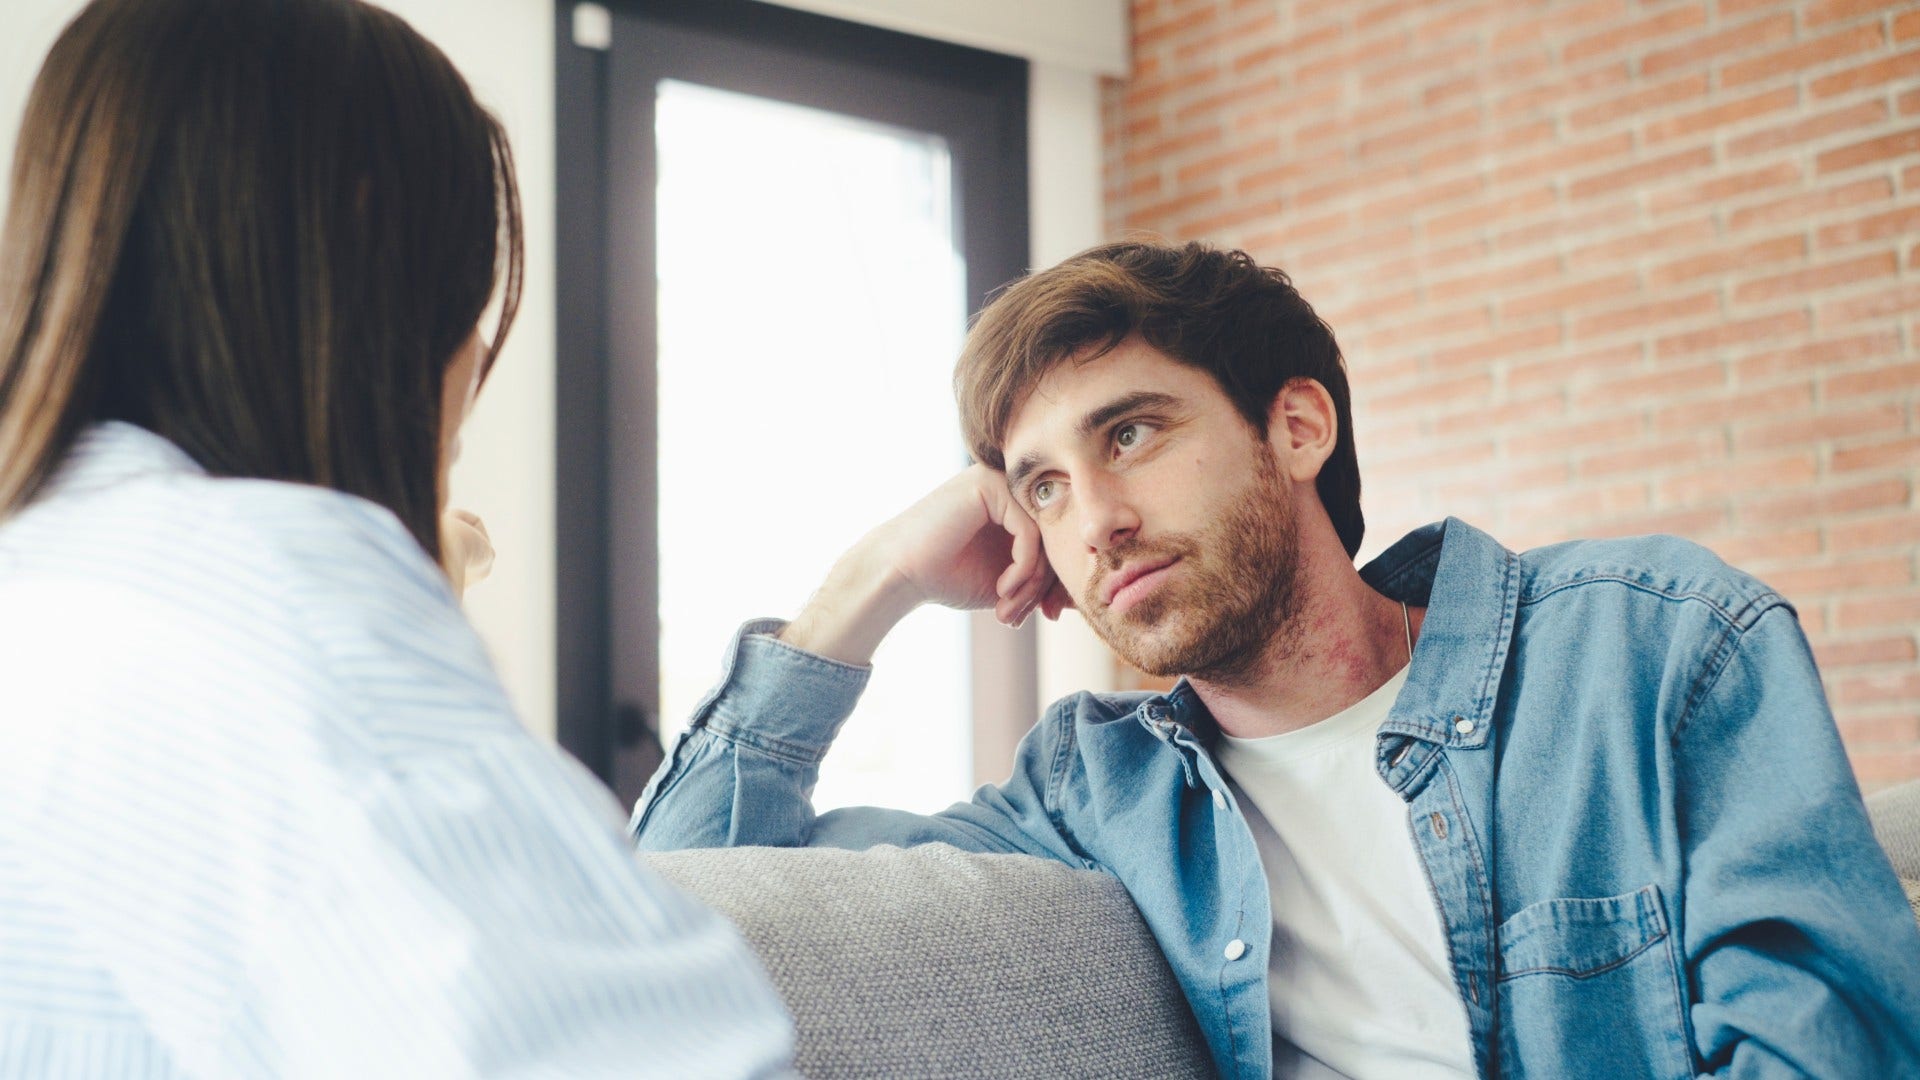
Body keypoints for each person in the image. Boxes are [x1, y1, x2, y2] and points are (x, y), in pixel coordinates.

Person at [633, 239, 1920, 1078]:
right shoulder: (1098, 794)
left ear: (1297, 426)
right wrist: (872, 583)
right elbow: (683, 895)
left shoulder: (1651, 643)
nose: (1094, 521)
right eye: (1041, 489)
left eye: (1129, 435)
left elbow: (1835, 1050)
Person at [0, 1, 793, 1075]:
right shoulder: (273, 612)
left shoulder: (57, 580)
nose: (473, 362)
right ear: (370, 241)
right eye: (467, 287)